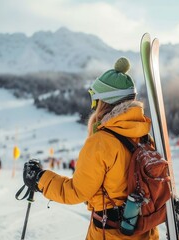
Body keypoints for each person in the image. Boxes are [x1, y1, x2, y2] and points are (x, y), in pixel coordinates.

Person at [22, 57, 158, 239]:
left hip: (111, 234)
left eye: (95, 100)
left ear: (103, 102)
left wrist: (40, 178)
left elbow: (76, 192)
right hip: (145, 231)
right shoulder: (144, 136)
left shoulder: (101, 142)